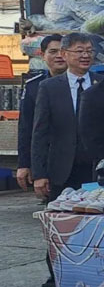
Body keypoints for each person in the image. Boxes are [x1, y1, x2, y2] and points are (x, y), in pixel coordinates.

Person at [30, 33, 101, 287]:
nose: (85, 55)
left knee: (95, 230)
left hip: (94, 171)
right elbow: (40, 132)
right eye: (79, 50)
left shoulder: (102, 84)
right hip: (61, 170)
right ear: (66, 54)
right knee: (58, 231)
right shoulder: (50, 88)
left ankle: (96, 284)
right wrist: (39, 173)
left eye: (89, 50)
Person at [16, 33, 67, 192]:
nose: (59, 56)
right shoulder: (34, 87)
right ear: (43, 55)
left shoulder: (85, 83)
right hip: (49, 158)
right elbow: (26, 127)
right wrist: (24, 164)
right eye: (53, 52)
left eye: (62, 51)